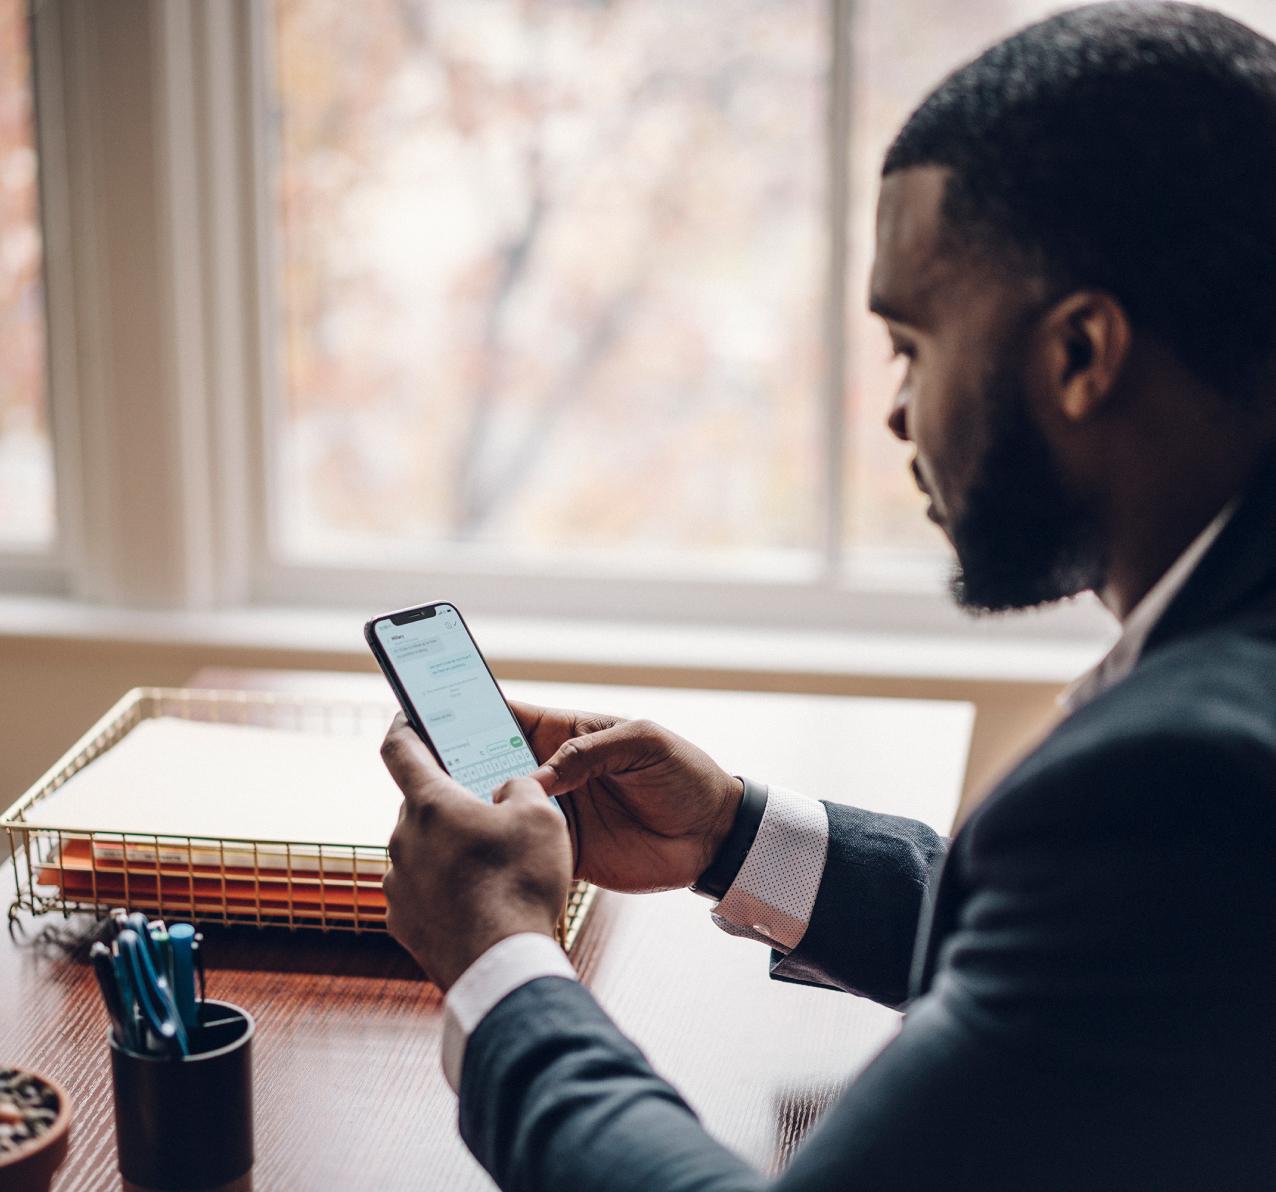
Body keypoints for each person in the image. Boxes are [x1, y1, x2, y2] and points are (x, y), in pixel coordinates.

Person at [378, 3, 1276, 1188]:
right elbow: (1104, 957)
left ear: (1080, 355)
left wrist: (499, 954)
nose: (898, 411)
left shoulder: (1183, 778)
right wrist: (733, 833)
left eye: (912, 343)